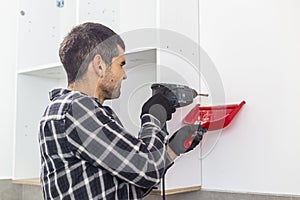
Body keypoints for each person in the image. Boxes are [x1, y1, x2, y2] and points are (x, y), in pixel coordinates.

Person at [38, 22, 206, 200]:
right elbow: (146, 170)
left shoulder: (69, 110)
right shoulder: (76, 109)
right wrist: (152, 116)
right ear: (99, 65)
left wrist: (173, 149)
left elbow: (130, 186)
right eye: (121, 64)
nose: (124, 74)